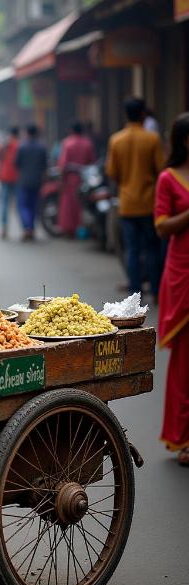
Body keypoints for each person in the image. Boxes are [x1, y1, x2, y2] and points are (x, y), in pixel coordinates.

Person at [154, 113, 189, 465]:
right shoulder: (168, 178)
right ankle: (182, 439)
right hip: (182, 274)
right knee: (184, 362)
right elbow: (162, 227)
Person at [106, 97, 164, 298]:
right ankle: (156, 290)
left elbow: (112, 172)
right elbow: (161, 169)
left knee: (132, 249)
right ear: (142, 114)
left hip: (127, 203)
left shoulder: (116, 140)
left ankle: (135, 291)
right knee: (152, 248)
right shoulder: (152, 139)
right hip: (149, 203)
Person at [57, 122, 96, 237]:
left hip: (70, 178)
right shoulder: (87, 143)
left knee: (69, 204)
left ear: (71, 130)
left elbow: (63, 164)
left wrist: (61, 178)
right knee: (81, 204)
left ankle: (69, 229)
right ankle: (82, 228)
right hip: (85, 178)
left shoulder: (67, 143)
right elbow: (92, 161)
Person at [15, 124, 47, 241]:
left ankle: (27, 228)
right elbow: (45, 166)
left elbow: (17, 164)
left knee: (23, 206)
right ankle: (31, 228)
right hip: (37, 181)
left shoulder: (22, 147)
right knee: (33, 206)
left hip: (24, 181)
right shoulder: (42, 148)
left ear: (27, 133)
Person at [0, 126, 19, 239]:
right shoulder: (19, 145)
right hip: (16, 176)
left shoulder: (5, 144)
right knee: (19, 203)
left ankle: (4, 228)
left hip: (5, 175)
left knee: (4, 203)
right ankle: (26, 228)